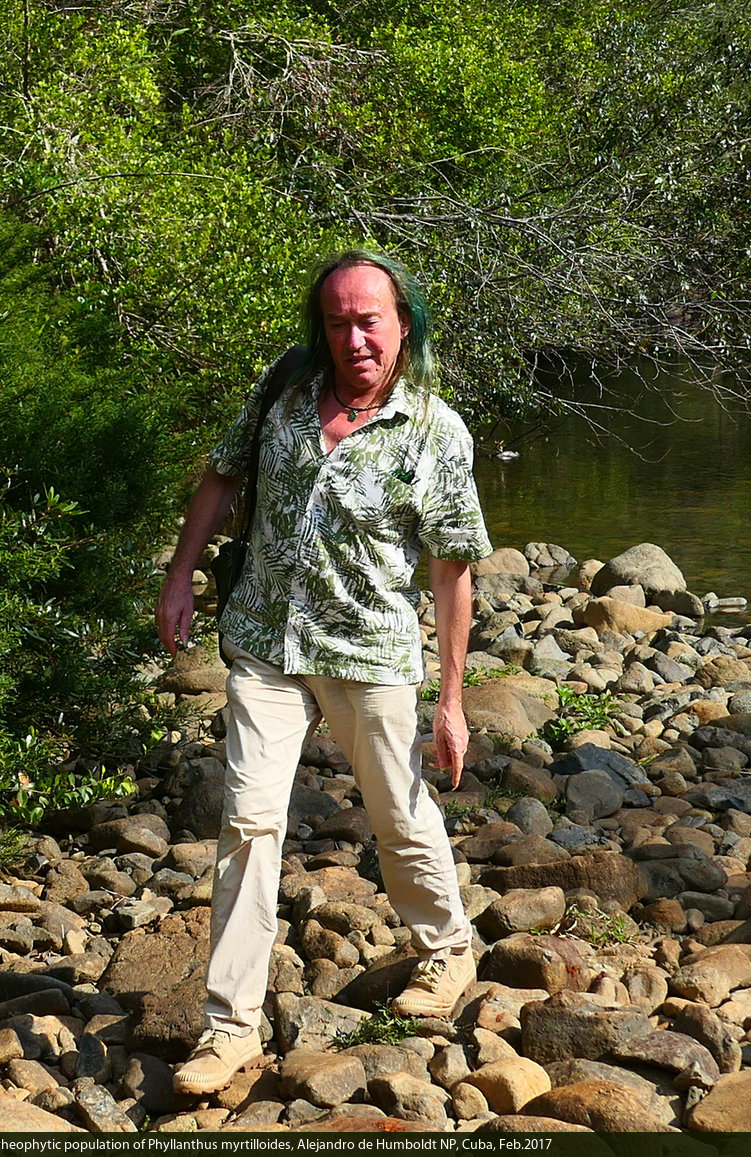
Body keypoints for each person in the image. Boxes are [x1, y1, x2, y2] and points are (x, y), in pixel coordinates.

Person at [155, 250, 494, 1096]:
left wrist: (451, 700)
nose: (355, 339)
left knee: (395, 810)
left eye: (369, 320)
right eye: (339, 322)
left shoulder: (436, 431)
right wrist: (179, 574)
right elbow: (222, 474)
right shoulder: (286, 388)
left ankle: (447, 946)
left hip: (369, 652)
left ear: (403, 323)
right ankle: (229, 1028)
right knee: (248, 822)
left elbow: (453, 571)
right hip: (265, 643)